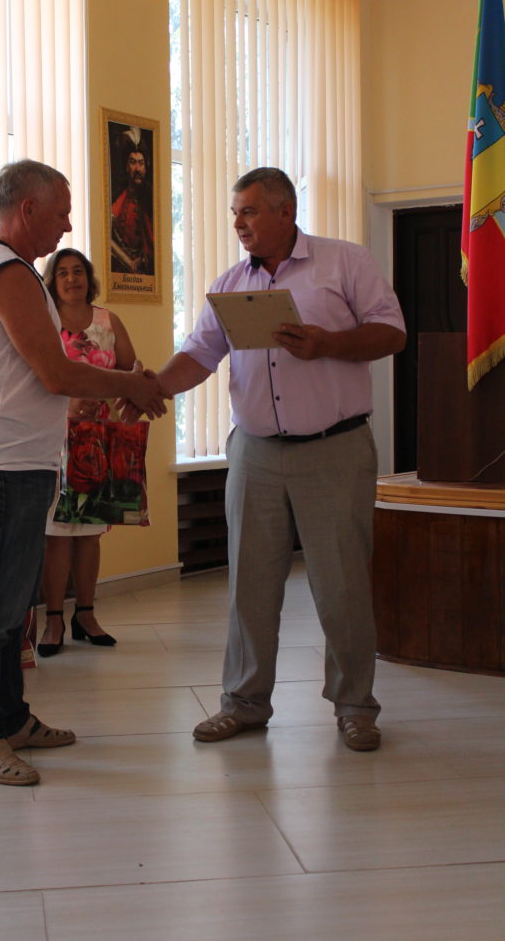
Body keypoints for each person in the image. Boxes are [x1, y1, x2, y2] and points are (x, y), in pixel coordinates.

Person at [120, 167, 406, 753]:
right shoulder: (231, 284)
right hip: (254, 452)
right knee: (249, 585)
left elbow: (392, 332)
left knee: (342, 586)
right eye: (234, 213)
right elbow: (200, 352)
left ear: (284, 211)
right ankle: (244, 703)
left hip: (334, 448)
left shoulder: (343, 263)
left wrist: (328, 344)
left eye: (248, 211)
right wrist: (153, 387)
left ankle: (355, 707)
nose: (238, 224)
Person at [0, 159, 166, 787]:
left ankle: (10, 719)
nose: (68, 224)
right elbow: (56, 373)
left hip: (18, 458)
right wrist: (130, 384)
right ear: (28, 209)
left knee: (13, 602)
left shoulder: (16, 272)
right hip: (2, 461)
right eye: (62, 211)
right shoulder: (8, 273)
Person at [36, 247, 138, 657]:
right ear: (52, 281)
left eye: (78, 271)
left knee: (90, 533)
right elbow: (30, 376)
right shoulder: (43, 322)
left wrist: (117, 396)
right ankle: (54, 620)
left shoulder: (108, 321)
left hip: (98, 439)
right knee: (57, 535)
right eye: (62, 272)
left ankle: (86, 615)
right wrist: (68, 404)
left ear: (88, 277)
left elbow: (130, 370)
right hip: (53, 441)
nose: (71, 279)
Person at [110, 127, 154, 275]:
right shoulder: (118, 197)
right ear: (126, 167)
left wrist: (142, 259)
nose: (137, 168)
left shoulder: (149, 199)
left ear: (145, 168)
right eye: (133, 162)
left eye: (141, 163)